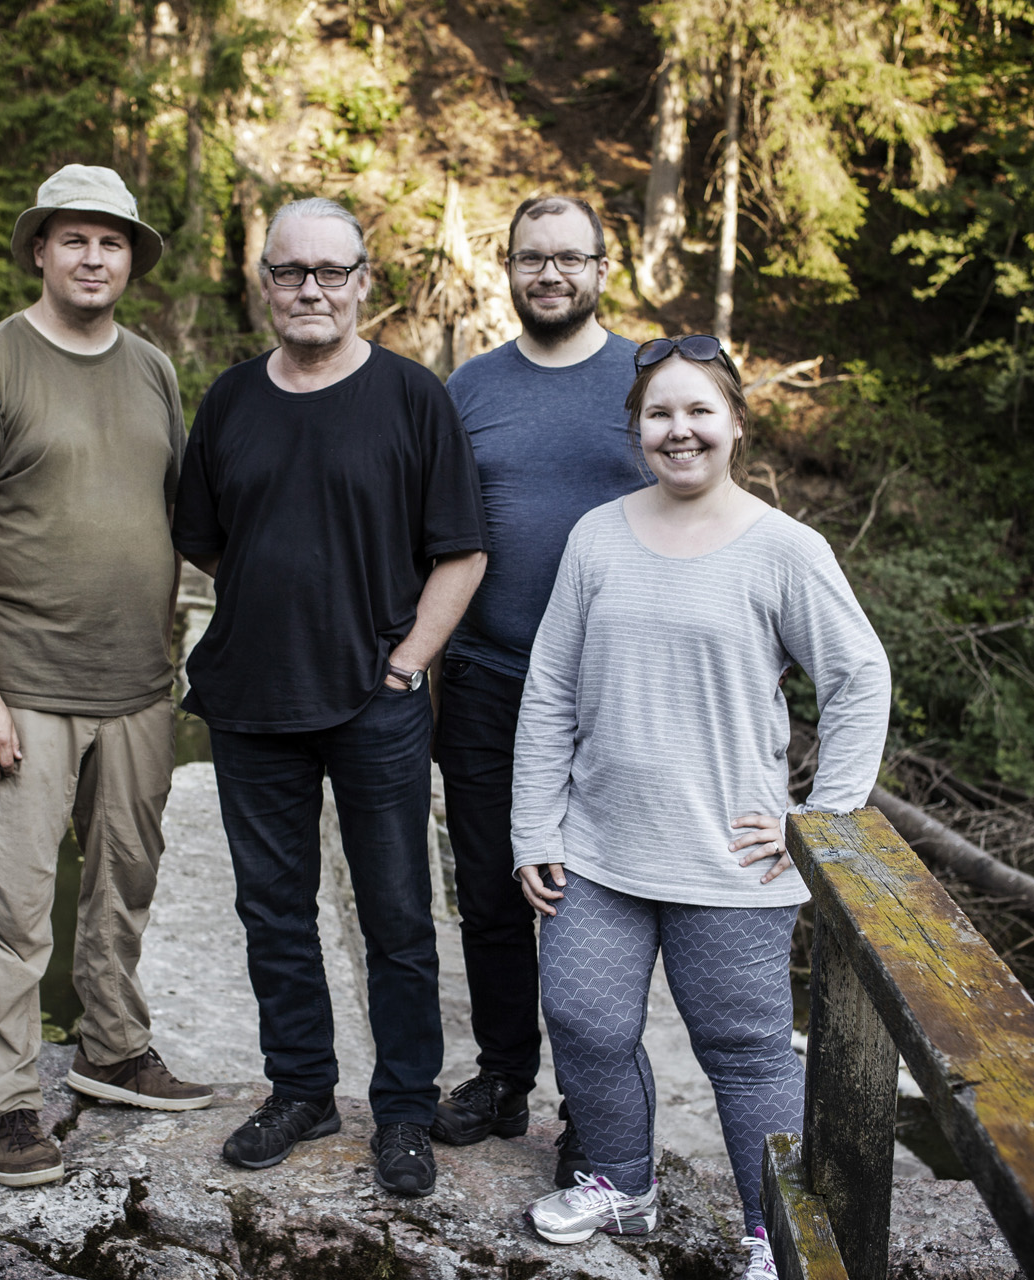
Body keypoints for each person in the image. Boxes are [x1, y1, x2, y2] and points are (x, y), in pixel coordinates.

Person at [510, 336, 891, 1278]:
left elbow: (859, 677)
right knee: (585, 1023)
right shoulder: (596, 536)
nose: (679, 431)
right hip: (597, 846)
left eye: (699, 411)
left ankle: (773, 1233)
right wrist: (535, 825)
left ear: (736, 424)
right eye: (659, 414)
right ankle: (620, 1184)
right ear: (637, 428)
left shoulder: (784, 549)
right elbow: (550, 689)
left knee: (745, 1052)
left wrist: (818, 823)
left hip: (731, 858)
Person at [172, 197, 488, 1198]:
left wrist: (406, 663)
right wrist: (282, 601)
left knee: (398, 916)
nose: (311, 288)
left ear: (362, 283)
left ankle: (404, 1109)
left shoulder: (412, 397)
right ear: (265, 282)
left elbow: (462, 551)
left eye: (331, 271)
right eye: (291, 271)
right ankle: (302, 1088)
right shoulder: (230, 399)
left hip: (375, 704)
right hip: (250, 699)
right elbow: (206, 538)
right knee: (273, 911)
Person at [0, 164, 212, 1191]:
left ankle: (112, 1046)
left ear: (131, 259)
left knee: (125, 879)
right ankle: (5, 1102)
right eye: (75, 239)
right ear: (41, 250)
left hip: (138, 683)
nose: (95, 257)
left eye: (113, 241)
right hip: (25, 688)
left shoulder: (153, 369)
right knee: (12, 908)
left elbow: (177, 517)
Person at [432, 195, 646, 1185]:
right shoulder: (470, 387)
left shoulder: (648, 379)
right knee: (489, 891)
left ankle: (595, 1107)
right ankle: (504, 1075)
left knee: (596, 899)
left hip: (616, 688)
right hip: (486, 677)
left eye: (568, 257)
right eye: (530, 258)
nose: (549, 273)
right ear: (508, 269)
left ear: (602, 268)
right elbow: (433, 531)